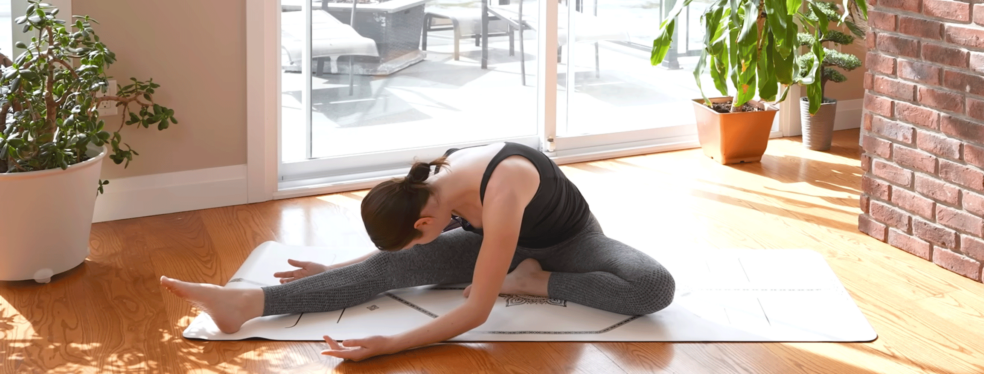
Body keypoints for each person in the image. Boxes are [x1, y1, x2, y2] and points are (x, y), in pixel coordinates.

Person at [161, 142, 675, 362]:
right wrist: (336, 269)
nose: (426, 239)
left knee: (654, 286)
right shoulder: (431, 189)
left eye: (420, 235)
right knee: (392, 269)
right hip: (493, 245)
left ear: (425, 221)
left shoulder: (504, 184)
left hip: (573, 243)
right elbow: (394, 255)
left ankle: (531, 281)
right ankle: (246, 304)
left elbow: (475, 311)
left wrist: (392, 344)